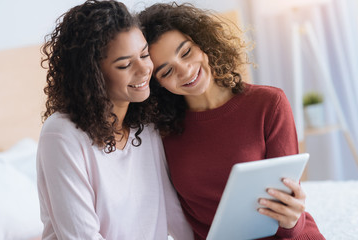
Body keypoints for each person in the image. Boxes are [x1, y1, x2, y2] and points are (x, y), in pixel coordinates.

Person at [138, 2, 325, 240]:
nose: (185, 71)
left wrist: (291, 220)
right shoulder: (162, 132)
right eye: (166, 71)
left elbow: (288, 210)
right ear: (157, 84)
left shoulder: (269, 103)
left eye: (186, 52)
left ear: (203, 43)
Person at [37, 1, 193, 239]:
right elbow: (81, 236)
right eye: (125, 64)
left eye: (144, 54)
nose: (144, 70)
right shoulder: (61, 134)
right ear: (93, 75)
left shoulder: (145, 124)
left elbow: (171, 210)